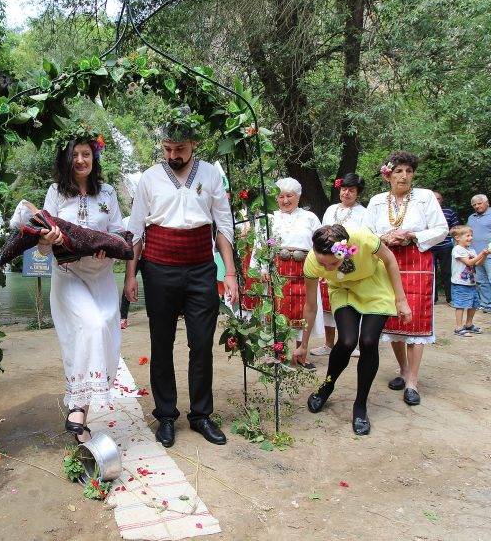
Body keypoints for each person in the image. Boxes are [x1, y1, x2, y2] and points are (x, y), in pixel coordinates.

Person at [124, 107, 237, 448]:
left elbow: (224, 225)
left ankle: (201, 415)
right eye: (167, 149)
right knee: (161, 342)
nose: (173, 155)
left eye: (180, 149)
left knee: (201, 343)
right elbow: (135, 231)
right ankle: (166, 416)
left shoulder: (211, 175)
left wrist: (229, 272)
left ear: (194, 144)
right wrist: (131, 276)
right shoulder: (149, 178)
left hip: (202, 266)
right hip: (158, 268)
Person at [36, 126, 123, 444]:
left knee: (103, 331)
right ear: (66, 158)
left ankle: (80, 414)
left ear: (94, 157)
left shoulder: (109, 193)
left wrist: (108, 244)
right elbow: (43, 244)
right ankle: (77, 408)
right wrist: (48, 238)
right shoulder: (55, 192)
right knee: (90, 325)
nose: (80, 159)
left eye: (86, 154)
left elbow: (118, 232)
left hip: (101, 276)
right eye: (74, 154)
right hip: (69, 274)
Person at [296, 225, 411, 434]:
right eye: (323, 263)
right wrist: (304, 344)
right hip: (343, 290)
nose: (328, 269)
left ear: (345, 250)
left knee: (368, 341)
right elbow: (311, 306)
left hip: (375, 286)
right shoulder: (312, 262)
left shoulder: (364, 239)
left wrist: (401, 300)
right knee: (347, 341)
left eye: (333, 263)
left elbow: (390, 259)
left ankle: (360, 405)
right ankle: (327, 386)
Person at [364, 151, 448, 406]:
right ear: (388, 175)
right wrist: (385, 237)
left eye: (409, 171)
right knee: (392, 317)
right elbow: (366, 231)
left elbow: (441, 229)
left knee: (416, 318)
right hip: (386, 260)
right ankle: (402, 370)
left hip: (417, 261)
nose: (404, 176)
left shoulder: (424, 198)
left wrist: (412, 235)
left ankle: (413, 380)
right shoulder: (378, 200)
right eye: (399, 171)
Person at [252, 177, 323, 369]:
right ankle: (277, 354)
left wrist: (321, 267)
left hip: (304, 271)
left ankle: (301, 355)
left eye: (289, 196)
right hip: (277, 273)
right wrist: (263, 268)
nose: (285, 200)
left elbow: (320, 245)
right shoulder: (269, 219)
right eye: (281, 196)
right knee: (277, 312)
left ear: (298, 197)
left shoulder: (310, 218)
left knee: (304, 312)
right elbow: (260, 245)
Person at [312, 173, 368, 358]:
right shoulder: (331, 209)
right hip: (329, 260)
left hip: (352, 258)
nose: (346, 193)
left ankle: (354, 343)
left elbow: (365, 237)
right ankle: (329, 343)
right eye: (344, 189)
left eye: (351, 190)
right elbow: (322, 232)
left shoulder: (363, 212)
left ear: (357, 193)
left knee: (353, 300)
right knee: (329, 301)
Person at [449, 225, 488, 336]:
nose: (471, 238)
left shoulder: (471, 250)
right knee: (460, 305)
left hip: (471, 283)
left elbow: (477, 263)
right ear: (457, 238)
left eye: (471, 235)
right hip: (460, 283)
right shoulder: (457, 250)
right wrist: (482, 253)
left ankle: (469, 325)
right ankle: (458, 327)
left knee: (474, 304)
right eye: (468, 236)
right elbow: (469, 263)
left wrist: (484, 256)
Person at [430, 191, 460, 304]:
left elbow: (456, 228)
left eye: (438, 198)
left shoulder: (449, 211)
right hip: (430, 247)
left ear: (441, 200)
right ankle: (433, 299)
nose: (436, 200)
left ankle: (450, 298)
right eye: (434, 198)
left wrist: (447, 231)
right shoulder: (425, 212)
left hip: (446, 246)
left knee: (447, 272)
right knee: (431, 273)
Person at [467, 194, 491, 312]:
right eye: (474, 205)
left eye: (479, 203)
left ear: (487, 202)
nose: (477, 206)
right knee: (481, 282)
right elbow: (467, 233)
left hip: (490, 254)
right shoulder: (471, 217)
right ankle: (487, 304)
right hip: (477, 255)